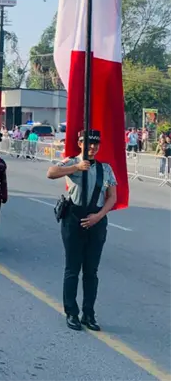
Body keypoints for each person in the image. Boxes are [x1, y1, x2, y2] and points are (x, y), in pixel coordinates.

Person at [47, 130, 117, 332]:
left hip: (96, 220)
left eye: (96, 144)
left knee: (91, 271)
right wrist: (76, 167)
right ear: (79, 144)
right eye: (88, 144)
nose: (92, 148)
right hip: (74, 220)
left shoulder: (106, 169)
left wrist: (99, 216)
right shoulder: (71, 162)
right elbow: (51, 173)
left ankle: (89, 313)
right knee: (72, 269)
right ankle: (71, 312)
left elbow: (112, 196)